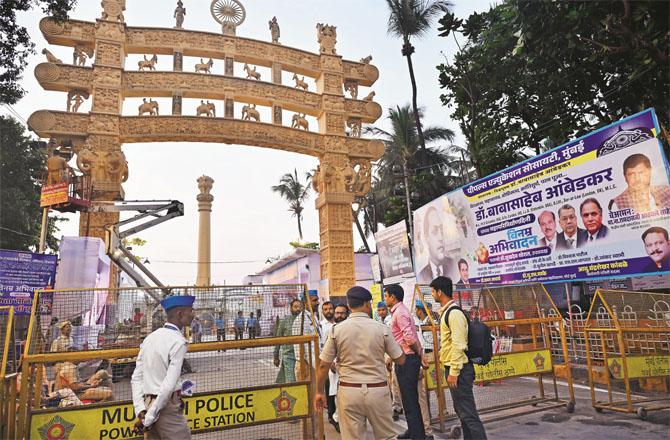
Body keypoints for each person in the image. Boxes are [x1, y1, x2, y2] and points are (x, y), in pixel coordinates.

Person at [315, 286, 406, 439]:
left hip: (349, 392)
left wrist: (319, 392)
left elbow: (323, 365)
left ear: (349, 306)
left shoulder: (337, 330)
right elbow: (400, 359)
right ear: (366, 304)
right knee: (387, 437)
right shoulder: (382, 329)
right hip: (378, 391)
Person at [131, 295, 195, 439]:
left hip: (148, 405)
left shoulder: (150, 338)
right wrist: (148, 419)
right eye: (191, 311)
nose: (193, 315)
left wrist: (141, 410)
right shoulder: (178, 342)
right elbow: (168, 385)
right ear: (180, 314)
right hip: (166, 408)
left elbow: (136, 378)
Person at [430, 276, 486, 440]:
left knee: (468, 414)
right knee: (462, 413)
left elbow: (459, 345)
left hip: (460, 370)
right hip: (455, 368)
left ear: (440, 292)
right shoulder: (447, 312)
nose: (432, 294)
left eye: (433, 291)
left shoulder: (454, 314)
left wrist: (454, 371)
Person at [385, 284, 428, 440]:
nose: (385, 298)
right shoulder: (398, 311)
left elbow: (409, 339)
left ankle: (418, 435)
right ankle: (413, 429)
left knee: (410, 399)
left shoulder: (400, 313)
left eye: (386, 295)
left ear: (393, 297)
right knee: (406, 398)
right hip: (404, 358)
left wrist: (419, 355)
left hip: (408, 360)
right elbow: (401, 339)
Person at [418, 206, 455, 283]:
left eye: (441, 230)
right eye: (435, 231)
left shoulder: (455, 266)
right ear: (426, 237)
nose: (441, 237)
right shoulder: (421, 276)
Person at [415, 302, 435, 439]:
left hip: (430, 354)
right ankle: (429, 417)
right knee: (424, 391)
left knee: (433, 383)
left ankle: (441, 411)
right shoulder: (417, 321)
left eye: (416, 309)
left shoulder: (432, 320)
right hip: (423, 355)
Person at [292, 289, 322, 381]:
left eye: (317, 300)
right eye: (314, 300)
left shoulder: (313, 317)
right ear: (305, 303)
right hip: (305, 365)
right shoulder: (301, 320)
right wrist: (318, 367)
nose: (318, 303)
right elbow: (306, 349)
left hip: (314, 363)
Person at [274, 299, 301, 383]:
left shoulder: (305, 321)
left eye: (300, 307)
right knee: (292, 381)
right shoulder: (284, 321)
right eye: (295, 307)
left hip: (302, 356)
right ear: (291, 308)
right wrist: (276, 356)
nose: (298, 309)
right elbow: (278, 339)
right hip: (289, 356)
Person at [319, 301, 338, 429]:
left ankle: (338, 414)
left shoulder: (339, 324)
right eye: (325, 309)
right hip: (328, 362)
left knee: (337, 389)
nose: (328, 311)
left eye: (330, 309)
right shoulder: (321, 326)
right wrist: (329, 361)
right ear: (322, 311)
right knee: (330, 389)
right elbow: (321, 345)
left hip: (340, 362)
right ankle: (331, 416)